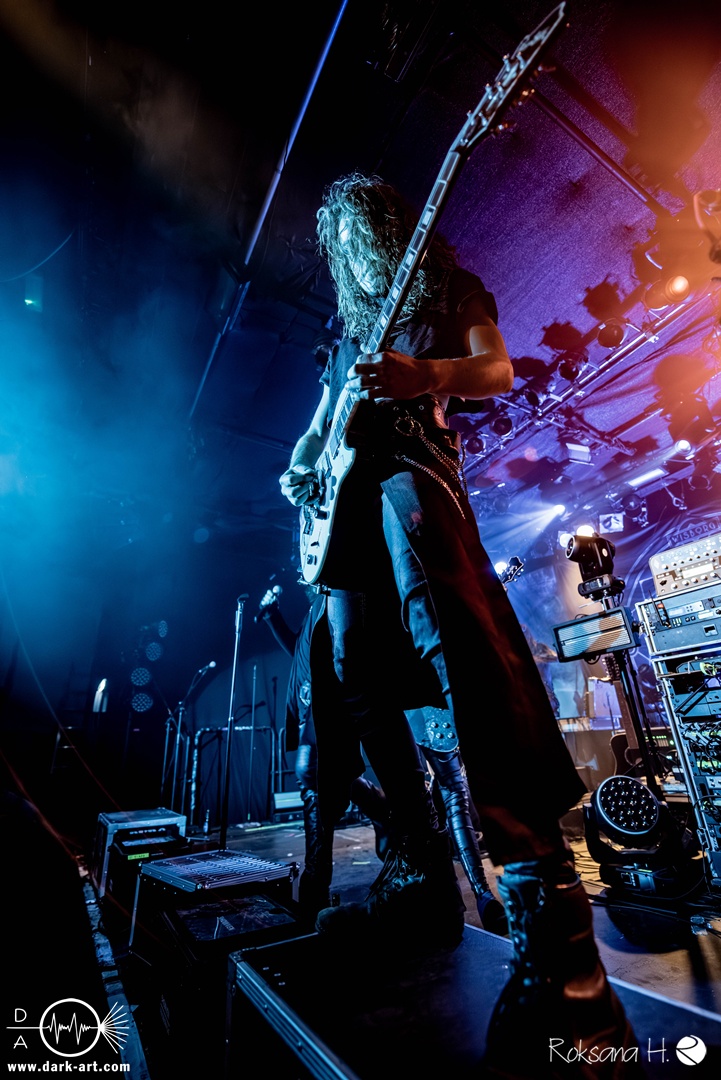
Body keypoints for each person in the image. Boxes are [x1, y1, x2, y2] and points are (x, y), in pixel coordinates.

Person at [279, 173, 635, 1067]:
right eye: (339, 241)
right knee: (351, 675)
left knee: (461, 656)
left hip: (412, 484)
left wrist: (424, 374)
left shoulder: (444, 291)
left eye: (363, 231)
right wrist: (302, 462)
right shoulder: (346, 330)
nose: (354, 251)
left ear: (389, 228)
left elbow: (496, 369)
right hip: (343, 515)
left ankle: (556, 943)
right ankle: (417, 867)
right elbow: (320, 422)